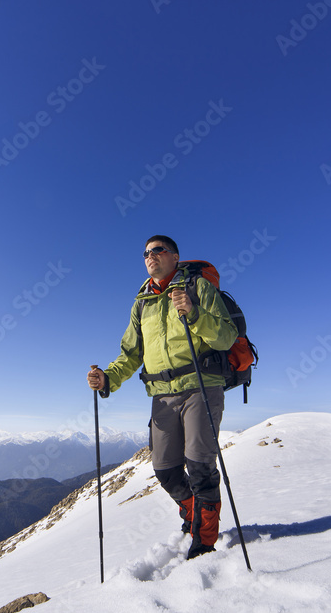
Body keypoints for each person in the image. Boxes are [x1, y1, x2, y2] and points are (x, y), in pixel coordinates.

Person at [87, 235, 238, 559]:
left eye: (158, 250)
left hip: (201, 385)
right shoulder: (142, 303)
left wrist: (194, 313)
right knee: (165, 468)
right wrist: (107, 378)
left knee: (200, 465)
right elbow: (131, 354)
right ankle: (193, 512)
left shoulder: (197, 288)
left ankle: (205, 540)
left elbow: (226, 337)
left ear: (175, 256)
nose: (150, 256)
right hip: (161, 395)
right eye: (145, 252)